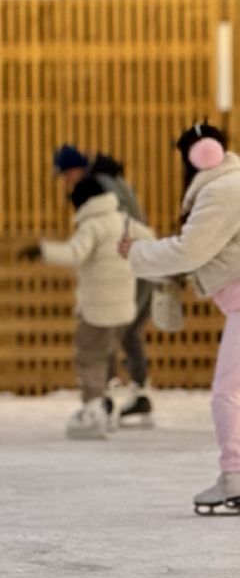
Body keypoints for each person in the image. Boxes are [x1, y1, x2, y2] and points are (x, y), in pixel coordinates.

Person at [119, 124, 240, 516]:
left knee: (227, 393)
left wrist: (138, 253)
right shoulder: (229, 186)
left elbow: (190, 251)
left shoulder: (220, 192)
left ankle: (234, 477)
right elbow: (202, 252)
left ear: (196, 158)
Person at [21, 176, 151, 439]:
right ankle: (106, 406)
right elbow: (149, 239)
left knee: (89, 357)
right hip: (124, 308)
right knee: (107, 355)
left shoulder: (93, 226)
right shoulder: (124, 222)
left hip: (97, 309)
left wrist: (43, 251)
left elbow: (75, 253)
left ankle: (93, 409)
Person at [53, 144, 156, 427]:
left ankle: (112, 395)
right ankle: (127, 392)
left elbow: (117, 231)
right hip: (134, 263)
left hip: (129, 267)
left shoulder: (100, 189)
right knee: (122, 330)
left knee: (117, 329)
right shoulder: (111, 182)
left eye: (66, 174)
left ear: (75, 169)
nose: (67, 182)